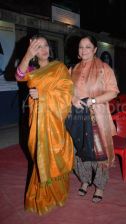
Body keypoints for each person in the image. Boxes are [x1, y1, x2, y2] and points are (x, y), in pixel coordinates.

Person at [16, 34, 74, 215]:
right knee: (38, 154)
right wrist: (27, 54)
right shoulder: (31, 69)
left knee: (55, 153)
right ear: (33, 51)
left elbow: (66, 94)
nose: (44, 49)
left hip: (53, 121)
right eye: (38, 47)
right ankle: (43, 193)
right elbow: (18, 76)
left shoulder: (59, 67)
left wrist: (43, 96)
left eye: (45, 45)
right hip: (37, 120)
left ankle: (57, 192)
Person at [68, 35, 119, 203]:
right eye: (81, 47)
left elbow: (113, 91)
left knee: (100, 153)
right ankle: (84, 180)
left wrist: (93, 100)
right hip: (77, 117)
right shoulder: (72, 69)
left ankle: (99, 186)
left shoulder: (104, 68)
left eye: (88, 47)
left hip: (97, 115)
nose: (84, 50)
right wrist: (73, 99)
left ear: (95, 49)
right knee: (80, 150)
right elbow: (65, 90)